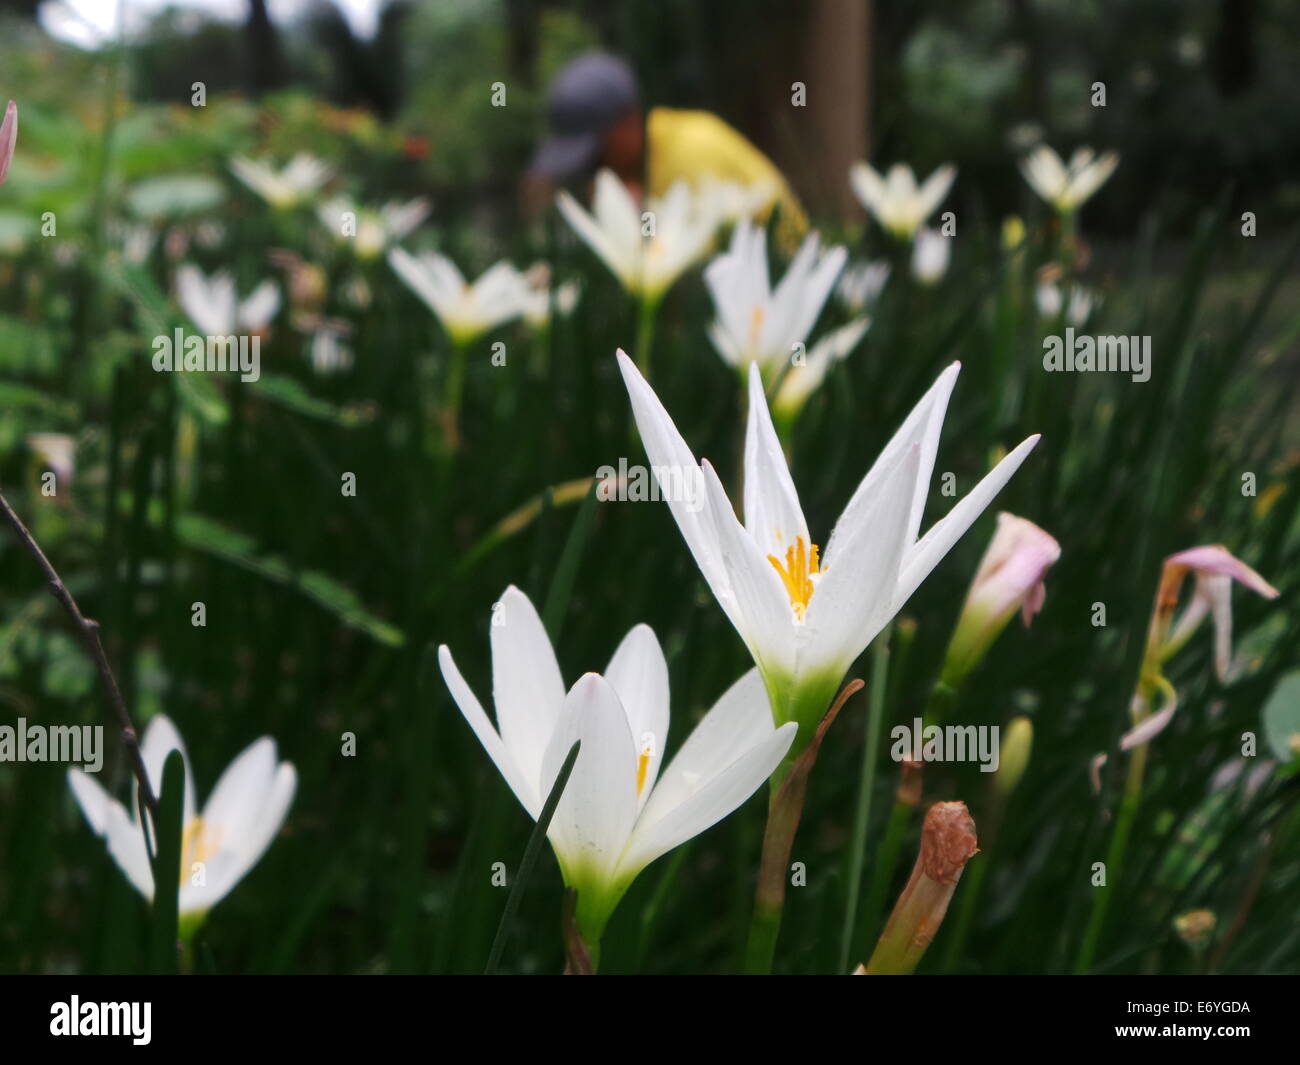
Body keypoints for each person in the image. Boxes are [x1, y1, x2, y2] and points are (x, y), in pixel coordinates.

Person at [526, 52, 807, 241]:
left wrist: (633, 220)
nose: (595, 170)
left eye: (595, 155)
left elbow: (699, 275)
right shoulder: (651, 160)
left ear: (629, 121)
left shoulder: (690, 153)